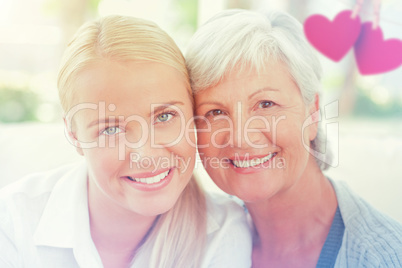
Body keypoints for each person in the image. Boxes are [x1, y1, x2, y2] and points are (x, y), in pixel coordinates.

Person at [0, 15, 252, 268]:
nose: (146, 153)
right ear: (74, 135)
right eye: (110, 130)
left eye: (164, 116)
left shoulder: (224, 232)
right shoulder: (12, 222)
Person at [186, 9, 402, 268]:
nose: (242, 137)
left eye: (266, 104)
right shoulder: (201, 244)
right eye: (215, 112)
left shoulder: (383, 259)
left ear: (312, 114)